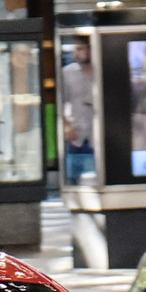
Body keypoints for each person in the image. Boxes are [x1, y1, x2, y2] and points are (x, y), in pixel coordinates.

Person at [59, 37, 96, 183]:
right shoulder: (67, 73)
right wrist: (67, 126)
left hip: (99, 136)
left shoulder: (103, 71)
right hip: (77, 136)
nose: (76, 53)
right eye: (76, 49)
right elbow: (60, 102)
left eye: (80, 49)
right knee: (74, 179)